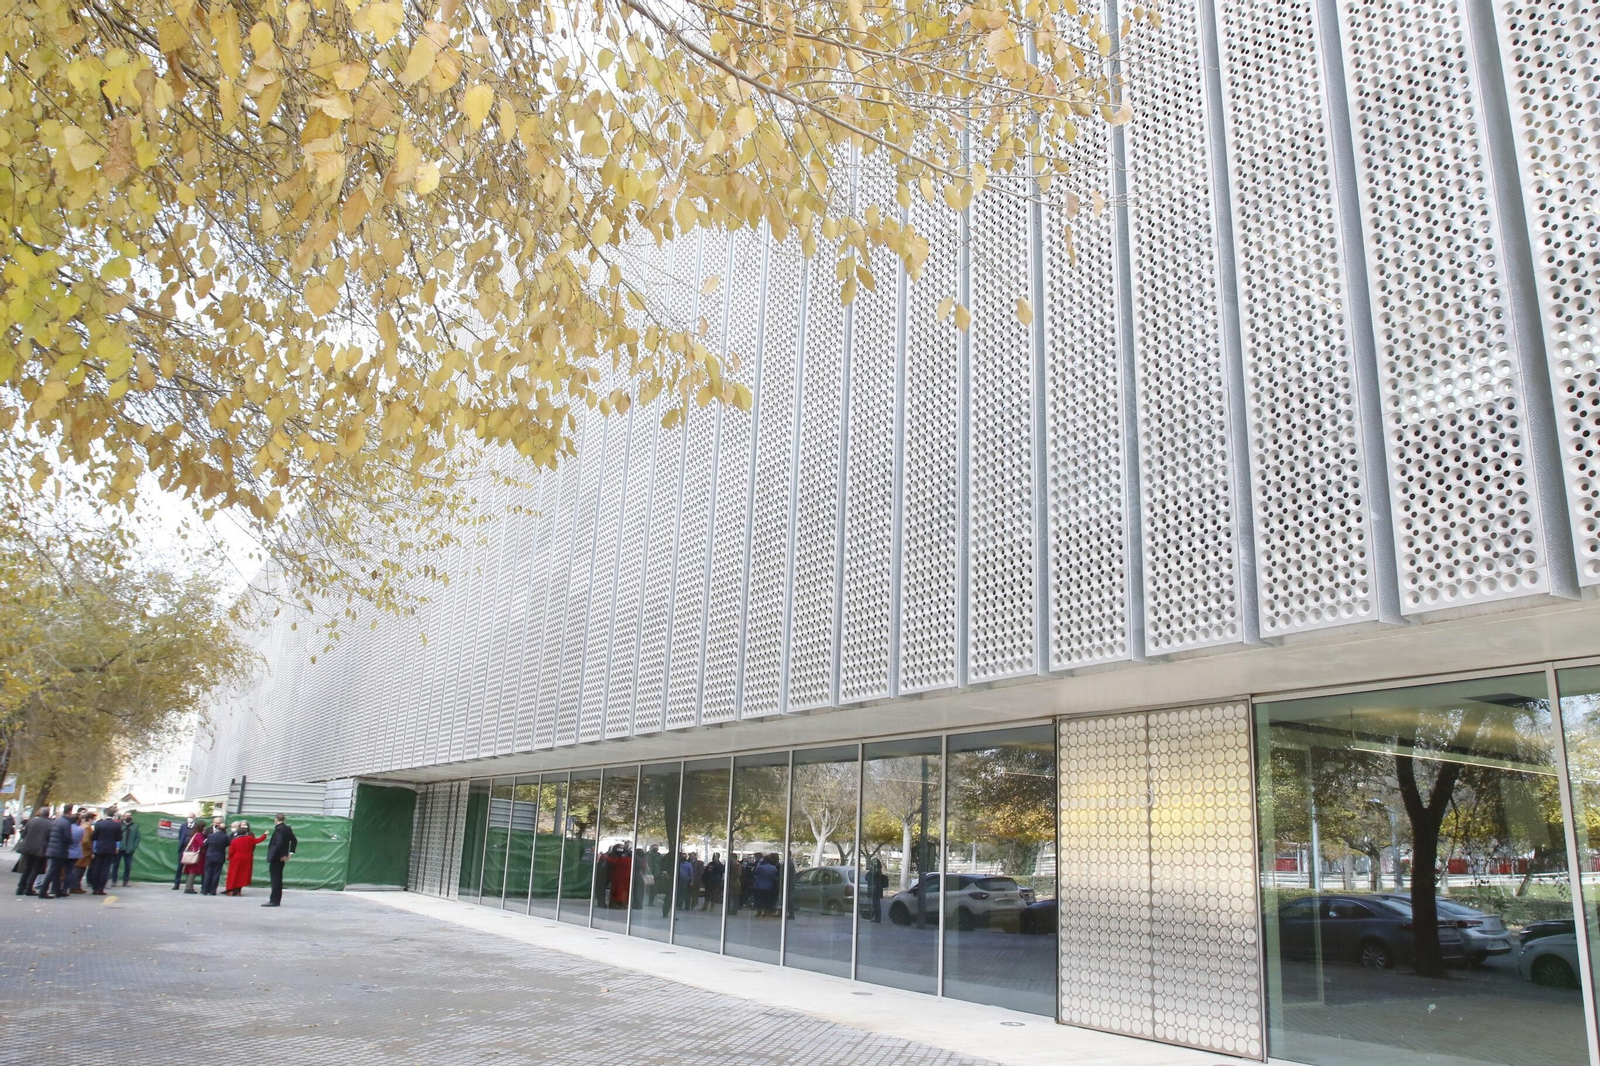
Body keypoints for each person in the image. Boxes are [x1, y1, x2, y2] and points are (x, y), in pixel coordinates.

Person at [14, 806, 52, 896]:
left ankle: (20, 888)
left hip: (28, 848)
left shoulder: (31, 821)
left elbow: (23, 834)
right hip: (40, 849)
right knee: (35, 869)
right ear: (48, 814)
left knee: (27, 868)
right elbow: (50, 837)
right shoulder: (50, 824)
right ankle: (28, 888)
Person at [40, 805, 76, 899]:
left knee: (56, 870)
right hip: (60, 850)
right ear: (70, 812)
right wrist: (72, 841)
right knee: (52, 870)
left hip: (53, 848)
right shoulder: (66, 823)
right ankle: (43, 891)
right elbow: (67, 837)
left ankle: (57, 890)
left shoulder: (56, 821)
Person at [224, 823, 268, 895]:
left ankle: (231, 890)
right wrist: (264, 835)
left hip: (236, 858)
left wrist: (229, 858)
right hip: (247, 858)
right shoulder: (249, 839)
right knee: (243, 875)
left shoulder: (234, 841)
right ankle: (238, 890)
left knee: (234, 874)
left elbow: (231, 851)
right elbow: (258, 840)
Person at [262, 813, 297, 907]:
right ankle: (276, 899)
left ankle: (274, 900)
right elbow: (294, 840)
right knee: (278, 877)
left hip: (276, 856)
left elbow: (279, 843)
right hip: (282, 856)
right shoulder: (287, 828)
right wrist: (290, 852)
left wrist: (282, 855)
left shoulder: (278, 829)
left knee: (275, 878)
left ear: (276, 819)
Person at [88, 809, 123, 895]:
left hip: (99, 848)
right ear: (114, 815)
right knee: (105, 869)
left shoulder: (99, 824)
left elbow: (94, 836)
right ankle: (101, 888)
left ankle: (95, 888)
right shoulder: (117, 825)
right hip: (110, 849)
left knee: (97, 868)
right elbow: (119, 838)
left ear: (105, 814)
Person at [67, 810, 93, 895]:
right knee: (79, 870)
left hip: (80, 850)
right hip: (84, 852)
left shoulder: (81, 826)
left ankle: (76, 886)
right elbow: (86, 841)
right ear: (90, 819)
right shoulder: (87, 827)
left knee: (78, 869)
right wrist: (90, 848)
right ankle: (75, 886)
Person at [201, 817, 228, 895]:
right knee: (216, 874)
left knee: (208, 873)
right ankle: (213, 891)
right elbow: (228, 844)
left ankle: (205, 890)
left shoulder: (211, 836)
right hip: (219, 856)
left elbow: (205, 844)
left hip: (209, 855)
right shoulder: (226, 837)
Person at [173, 817, 202, 891]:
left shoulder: (197, 826)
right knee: (180, 866)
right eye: (189, 817)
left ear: (194, 818)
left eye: (191, 817)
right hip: (183, 849)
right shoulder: (183, 825)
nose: (190, 818)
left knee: (190, 867)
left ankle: (188, 885)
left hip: (192, 850)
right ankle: (176, 884)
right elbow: (180, 836)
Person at [118, 811, 140, 887]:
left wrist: (134, 847)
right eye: (126, 816)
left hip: (129, 849)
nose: (128, 817)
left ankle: (126, 881)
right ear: (123, 816)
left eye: (130, 816)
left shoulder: (135, 826)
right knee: (115, 865)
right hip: (120, 849)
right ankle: (114, 880)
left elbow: (138, 837)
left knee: (128, 866)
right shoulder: (119, 825)